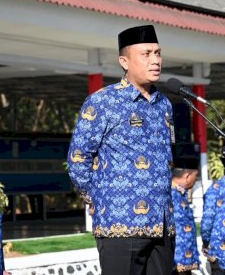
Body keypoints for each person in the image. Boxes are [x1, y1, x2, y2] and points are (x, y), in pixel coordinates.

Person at [67, 25, 175, 274]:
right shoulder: (103, 101)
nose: (155, 60)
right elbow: (78, 158)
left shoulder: (165, 105)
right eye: (146, 54)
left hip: (162, 225)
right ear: (124, 61)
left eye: (158, 53)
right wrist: (94, 197)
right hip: (120, 222)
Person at [171, 154, 201, 275]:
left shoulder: (181, 194)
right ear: (187, 176)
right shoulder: (170, 194)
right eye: (196, 176)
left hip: (186, 260)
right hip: (175, 261)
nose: (196, 180)